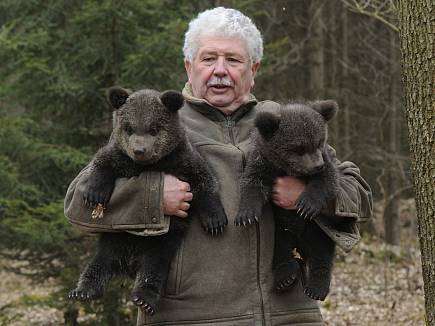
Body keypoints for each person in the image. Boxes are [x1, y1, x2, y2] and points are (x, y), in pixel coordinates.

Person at [65, 7, 373, 326]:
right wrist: (152, 196)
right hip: (189, 318)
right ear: (189, 66)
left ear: (254, 68)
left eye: (234, 60)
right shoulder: (156, 122)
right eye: (208, 59)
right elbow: (77, 205)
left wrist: (309, 194)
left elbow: (360, 195)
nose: (220, 70)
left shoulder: (286, 124)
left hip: (291, 316)